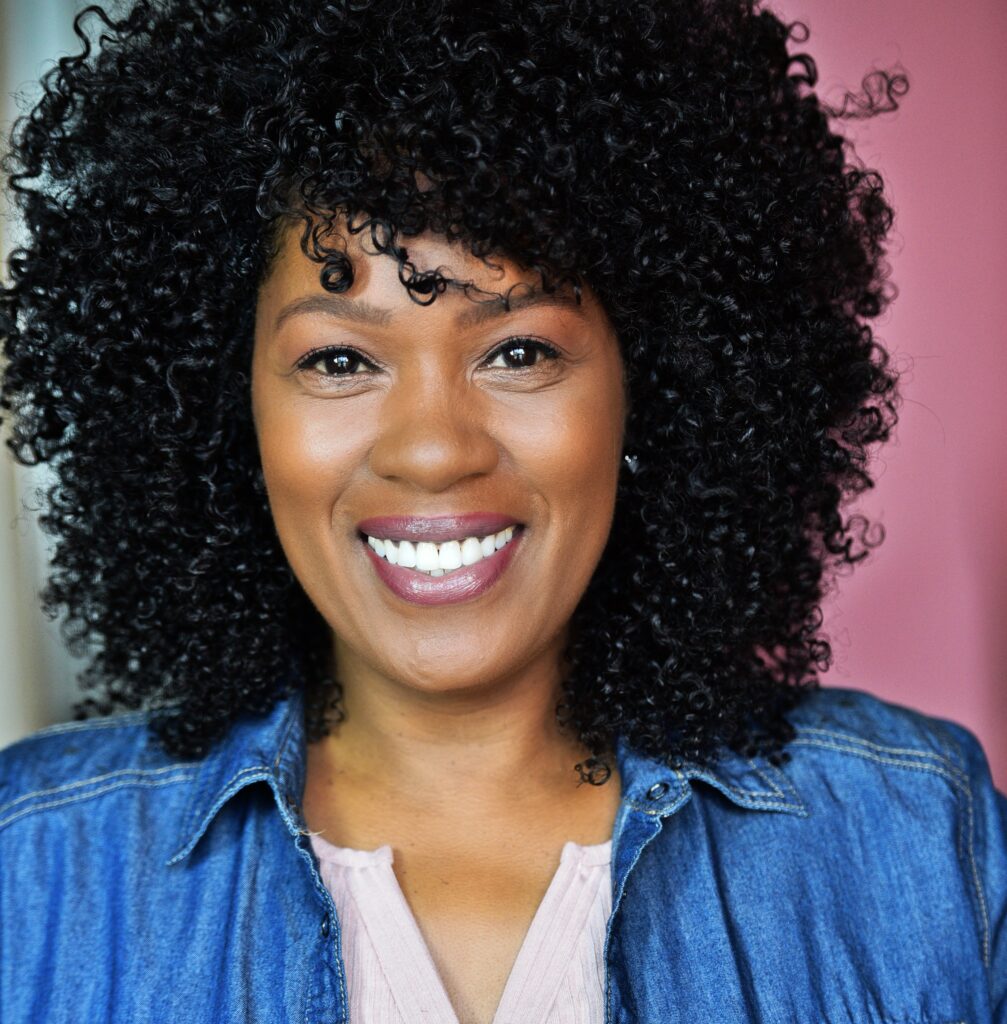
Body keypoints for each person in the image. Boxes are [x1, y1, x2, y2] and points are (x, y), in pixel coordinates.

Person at [0, 0, 1003, 1021]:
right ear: (226, 409)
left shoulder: (918, 834)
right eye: (339, 359)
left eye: (517, 350)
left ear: (650, 381)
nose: (433, 448)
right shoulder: (30, 865)